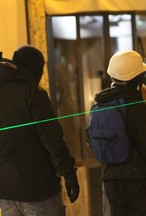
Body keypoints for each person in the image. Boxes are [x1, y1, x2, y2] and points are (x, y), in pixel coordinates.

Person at [0, 45, 79, 216]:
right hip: (38, 190)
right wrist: (69, 173)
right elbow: (52, 139)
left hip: (6, 191)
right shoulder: (33, 93)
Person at [93, 50, 146, 216]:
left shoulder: (101, 103)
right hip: (140, 182)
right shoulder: (144, 102)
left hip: (110, 181)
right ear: (137, 77)